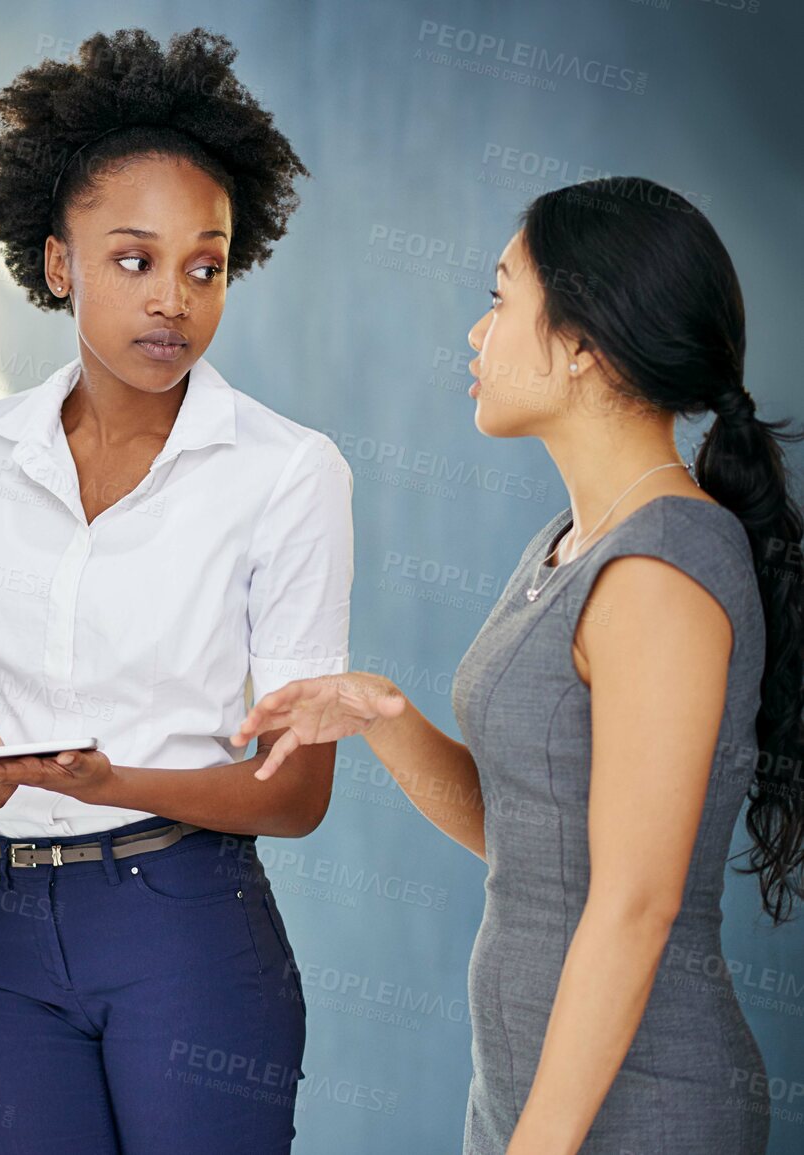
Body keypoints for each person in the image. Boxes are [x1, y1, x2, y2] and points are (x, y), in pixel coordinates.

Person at [234, 176, 803, 1154]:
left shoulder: (664, 570)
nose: (476, 333)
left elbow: (635, 902)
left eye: (500, 298)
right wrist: (386, 717)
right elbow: (539, 846)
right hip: (529, 1102)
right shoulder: (568, 543)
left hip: (643, 1114)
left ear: (582, 344)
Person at [0, 29, 352, 1153]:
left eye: (205, 267)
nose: (174, 302)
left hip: (187, 929)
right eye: (133, 260)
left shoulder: (287, 473)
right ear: (60, 265)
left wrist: (114, 781)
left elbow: (297, 795)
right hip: (6, 929)